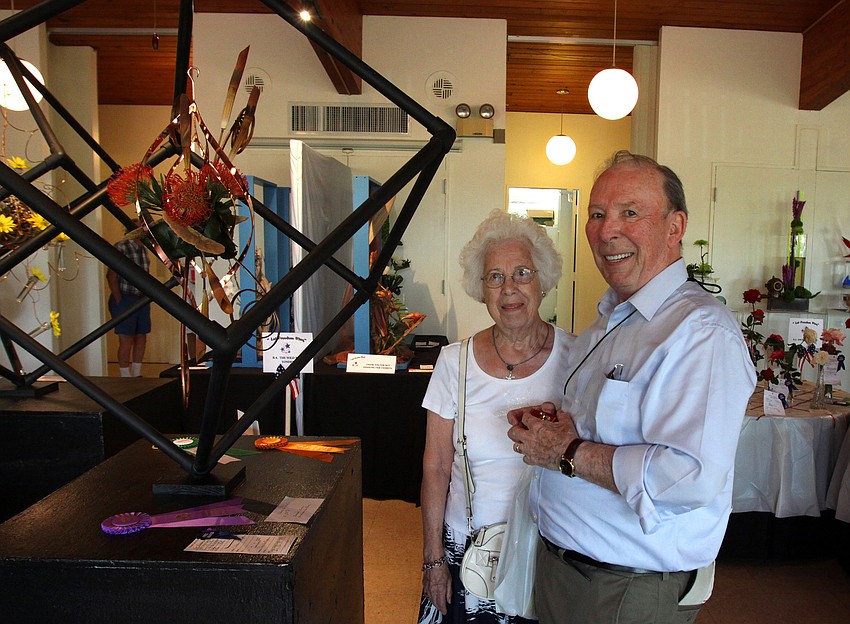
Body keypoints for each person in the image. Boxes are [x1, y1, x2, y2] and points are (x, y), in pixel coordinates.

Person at [507, 151, 756, 624]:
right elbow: (601, 424)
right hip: (569, 569)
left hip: (624, 589)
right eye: (597, 214)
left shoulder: (700, 332)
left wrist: (568, 451)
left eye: (629, 212)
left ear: (675, 227)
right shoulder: (610, 320)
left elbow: (690, 475)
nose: (607, 231)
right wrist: (552, 426)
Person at [418, 210, 573, 624]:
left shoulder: (577, 358)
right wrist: (433, 559)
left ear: (542, 281)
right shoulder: (454, 362)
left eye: (522, 273)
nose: (509, 289)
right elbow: (436, 467)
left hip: (550, 549)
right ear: (480, 289)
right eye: (495, 277)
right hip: (468, 551)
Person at [106, 219, 151, 377]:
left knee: (141, 337)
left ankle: (136, 374)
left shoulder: (144, 249)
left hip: (142, 299)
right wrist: (119, 299)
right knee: (126, 339)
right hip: (126, 297)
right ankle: (125, 376)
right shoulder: (121, 247)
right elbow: (111, 275)